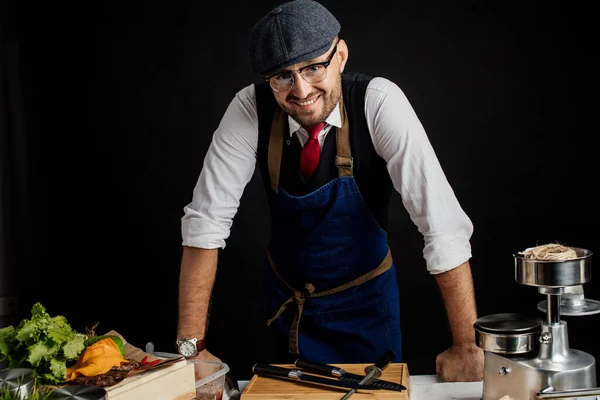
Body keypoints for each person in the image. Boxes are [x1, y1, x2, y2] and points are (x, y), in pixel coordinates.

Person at [176, 0, 484, 382]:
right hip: (285, 313)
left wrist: (467, 346)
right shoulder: (249, 109)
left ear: (340, 55)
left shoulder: (379, 102)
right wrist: (192, 349)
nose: (301, 90)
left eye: (313, 67)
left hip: (368, 313)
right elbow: (205, 225)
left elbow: (443, 228)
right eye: (282, 77)